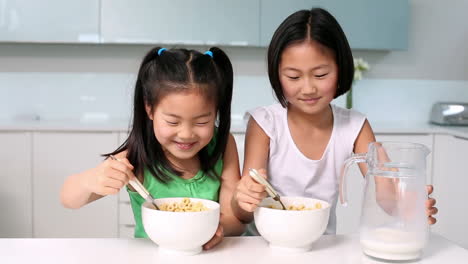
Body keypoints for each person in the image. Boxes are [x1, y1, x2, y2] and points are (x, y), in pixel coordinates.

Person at [231, 8, 438, 234]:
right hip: (263, 244)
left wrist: (406, 206)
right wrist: (242, 199)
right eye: (293, 76)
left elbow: (385, 192)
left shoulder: (355, 127)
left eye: (320, 75)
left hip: (321, 246)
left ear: (340, 69)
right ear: (277, 74)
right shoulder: (265, 123)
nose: (308, 88)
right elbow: (243, 213)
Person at [61, 47, 245, 249]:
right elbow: (68, 198)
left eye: (201, 122)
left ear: (216, 112)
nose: (186, 134)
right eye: (173, 122)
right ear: (149, 109)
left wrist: (219, 229)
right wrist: (92, 180)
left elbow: (235, 222)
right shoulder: (136, 157)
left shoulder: (223, 144)